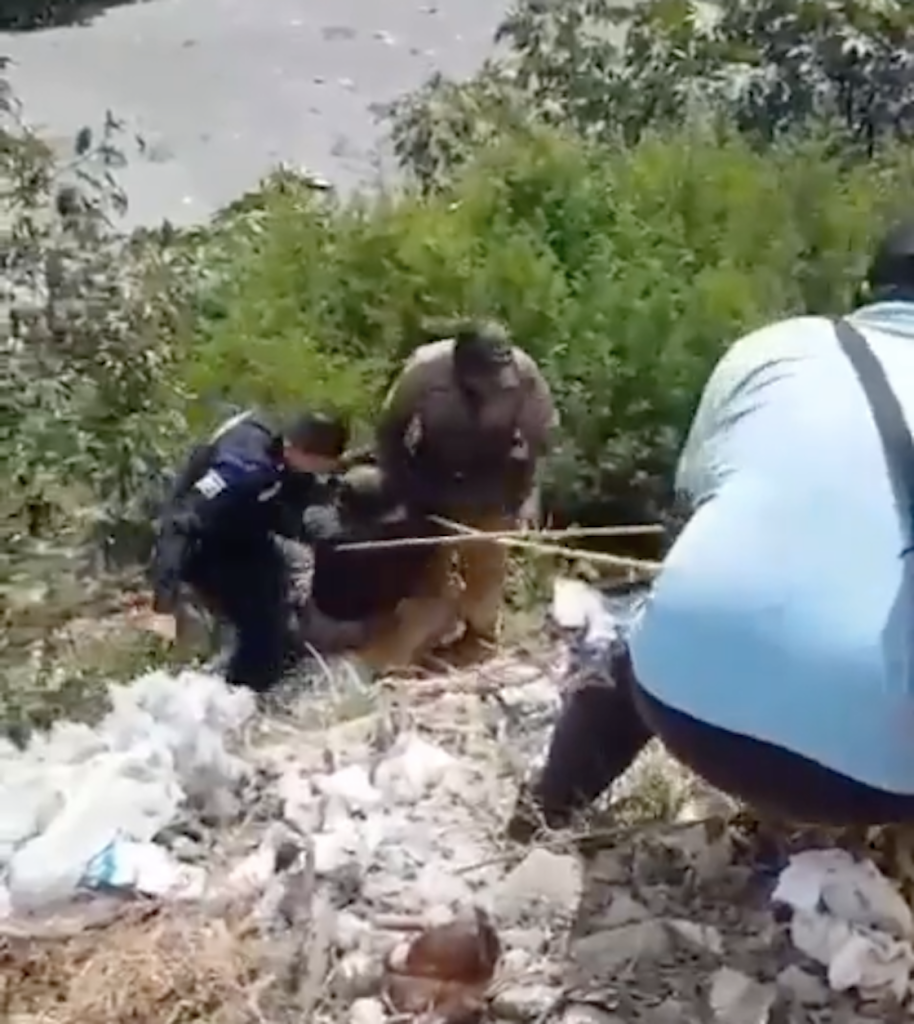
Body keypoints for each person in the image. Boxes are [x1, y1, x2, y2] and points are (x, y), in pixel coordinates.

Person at [511, 222, 914, 837]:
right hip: (884, 784)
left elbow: (695, 492)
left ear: (866, 286)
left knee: (639, 618)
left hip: (682, 709)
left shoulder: (776, 347)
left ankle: (547, 812)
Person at [377, 321, 558, 664]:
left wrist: (530, 496)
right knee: (427, 574)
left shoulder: (523, 373)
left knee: (487, 571)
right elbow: (390, 429)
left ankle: (479, 640)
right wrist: (399, 487)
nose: (492, 388)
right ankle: (422, 644)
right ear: (462, 368)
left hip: (494, 480)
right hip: (433, 479)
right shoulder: (425, 368)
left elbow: (541, 439)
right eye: (484, 380)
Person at [149, 409, 349, 692]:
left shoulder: (278, 444)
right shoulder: (240, 470)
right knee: (262, 626)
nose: (324, 473)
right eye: (323, 465)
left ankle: (275, 658)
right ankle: (240, 691)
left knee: (283, 589)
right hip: (205, 545)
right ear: (300, 452)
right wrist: (164, 604)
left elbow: (296, 499)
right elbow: (180, 523)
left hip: (248, 527)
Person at [301, 463, 460, 671]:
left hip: (327, 622)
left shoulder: (327, 532)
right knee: (438, 598)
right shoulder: (407, 540)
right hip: (379, 620)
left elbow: (311, 513)